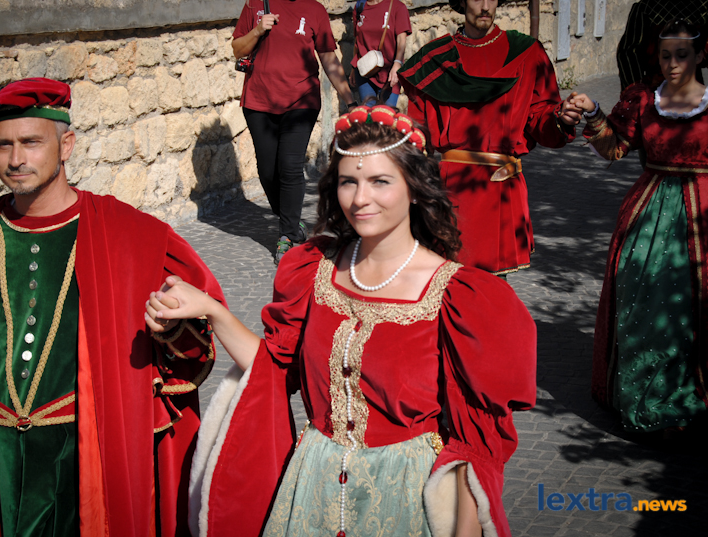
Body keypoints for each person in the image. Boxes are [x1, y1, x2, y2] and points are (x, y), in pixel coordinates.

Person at [147, 108, 537, 537]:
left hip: (406, 498)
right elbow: (274, 368)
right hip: (310, 489)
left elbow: (473, 442)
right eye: (349, 181)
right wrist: (212, 310)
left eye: (380, 181)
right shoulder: (311, 270)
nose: (360, 199)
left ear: (414, 188)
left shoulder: (459, 296)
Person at [0, 77, 225, 536]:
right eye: (2, 146)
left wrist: (170, 327)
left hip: (84, 458)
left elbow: (196, 344)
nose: (16, 159)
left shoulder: (132, 236)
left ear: (67, 145)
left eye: (31, 142)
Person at [573, 20, 708, 435]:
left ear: (701, 55)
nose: (672, 64)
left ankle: (694, 393)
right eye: (665, 56)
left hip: (702, 216)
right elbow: (614, 148)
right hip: (648, 216)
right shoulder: (645, 101)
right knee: (645, 303)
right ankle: (647, 396)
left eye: (681, 55)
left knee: (694, 306)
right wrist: (593, 113)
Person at [398, 0, 582, 276]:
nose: (485, 6)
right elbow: (417, 134)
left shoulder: (526, 53)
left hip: (500, 188)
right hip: (452, 190)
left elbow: (540, 116)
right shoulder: (436, 59)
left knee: (494, 288)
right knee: (447, 283)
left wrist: (560, 117)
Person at [232, 0, 356, 264]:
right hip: (259, 101)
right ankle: (290, 218)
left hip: (302, 101)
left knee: (290, 167)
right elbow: (237, 49)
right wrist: (257, 31)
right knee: (267, 171)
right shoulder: (256, 4)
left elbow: (328, 58)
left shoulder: (315, 10)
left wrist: (350, 100)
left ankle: (287, 235)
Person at [617, 0, 708, 90]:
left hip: (691, 84)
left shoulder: (702, 7)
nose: (673, 64)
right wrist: (638, 89)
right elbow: (629, 53)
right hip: (655, 84)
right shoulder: (645, 8)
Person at [348, 0, 411, 108]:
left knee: (386, 114)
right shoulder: (360, 7)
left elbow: (401, 40)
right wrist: (354, 68)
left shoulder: (397, 7)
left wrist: (397, 64)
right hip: (365, 71)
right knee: (368, 114)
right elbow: (357, 40)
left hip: (389, 72)